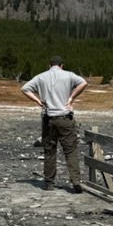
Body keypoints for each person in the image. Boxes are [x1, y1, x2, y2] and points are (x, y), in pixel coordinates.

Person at [21, 56, 87, 192]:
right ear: (61, 65)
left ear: (49, 65)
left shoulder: (41, 77)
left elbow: (25, 88)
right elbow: (83, 83)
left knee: (49, 151)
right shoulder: (69, 75)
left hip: (48, 118)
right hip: (64, 117)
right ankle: (75, 180)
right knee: (70, 150)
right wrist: (71, 98)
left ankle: (49, 183)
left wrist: (37, 101)